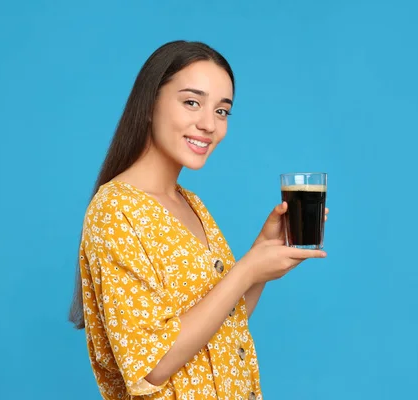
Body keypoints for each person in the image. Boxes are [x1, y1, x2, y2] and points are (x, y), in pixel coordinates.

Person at [68, 40, 328, 400]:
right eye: (192, 102)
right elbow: (153, 364)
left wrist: (262, 253)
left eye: (222, 111)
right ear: (149, 104)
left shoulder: (191, 204)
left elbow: (221, 329)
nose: (209, 124)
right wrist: (247, 269)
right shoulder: (115, 211)